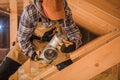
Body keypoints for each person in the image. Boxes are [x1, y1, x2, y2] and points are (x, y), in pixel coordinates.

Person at [0, 0, 82, 79]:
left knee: (67, 67)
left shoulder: (65, 9)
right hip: (29, 40)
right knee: (4, 70)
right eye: (52, 15)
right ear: (43, 9)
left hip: (51, 40)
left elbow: (72, 30)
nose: (54, 19)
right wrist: (32, 55)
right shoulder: (30, 11)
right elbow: (23, 38)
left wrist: (74, 44)